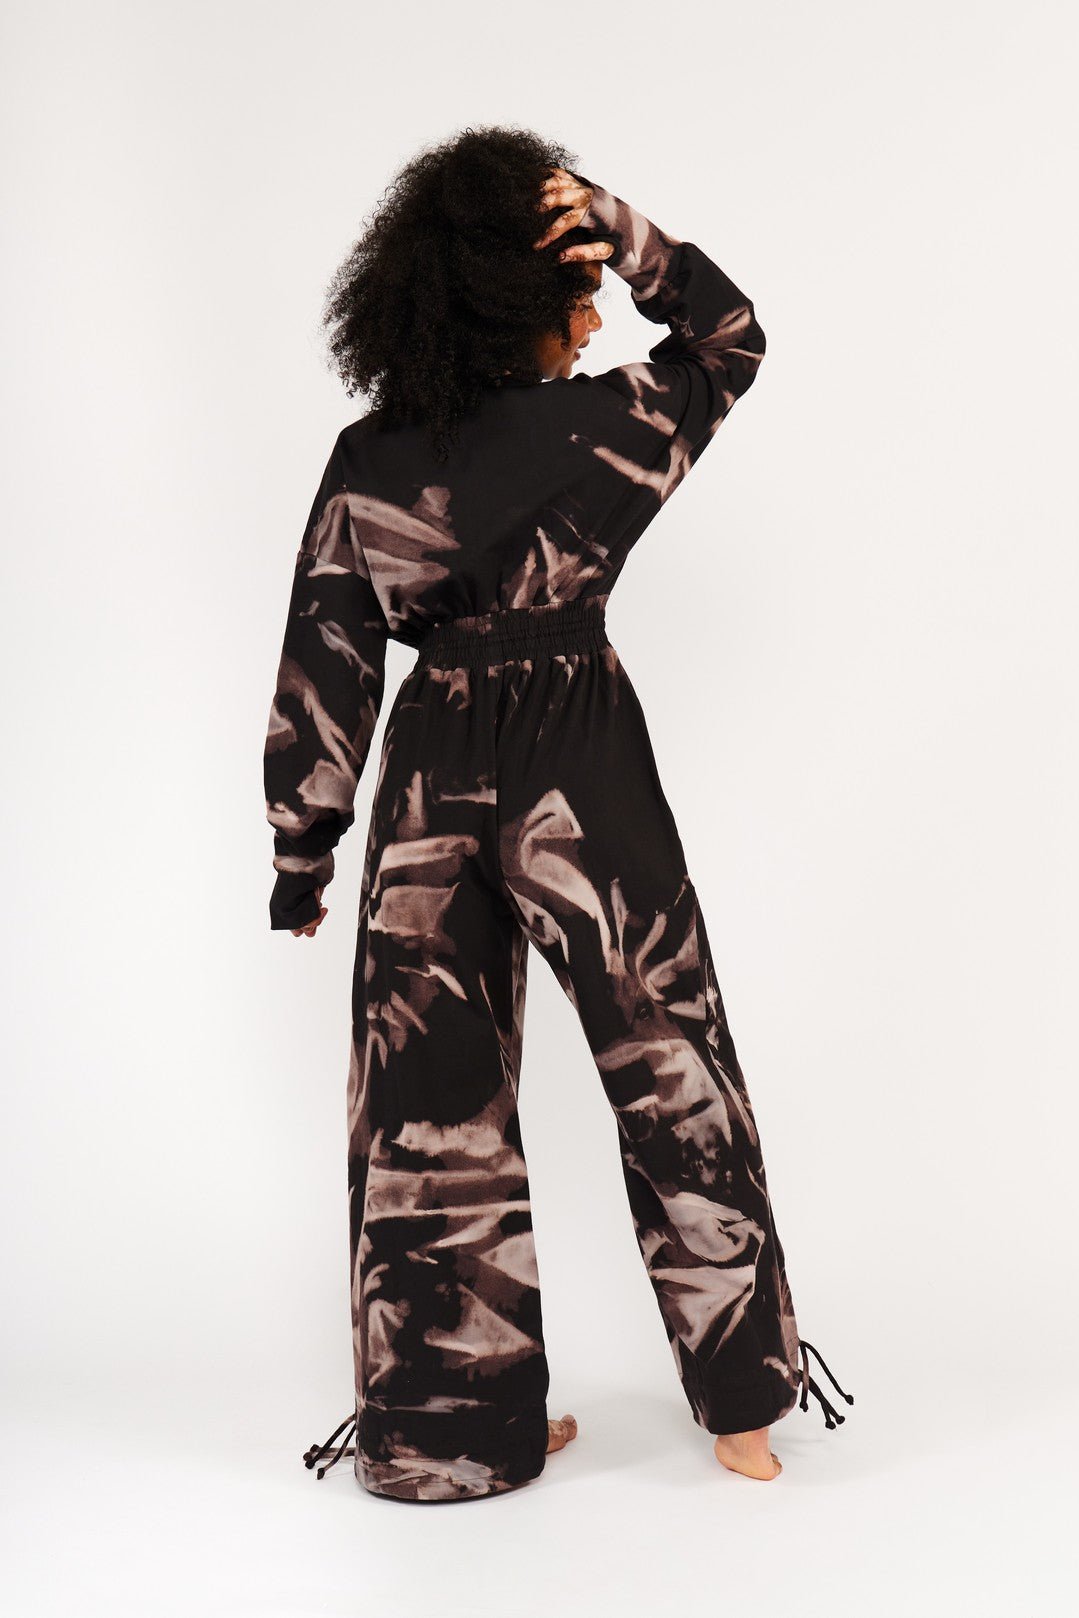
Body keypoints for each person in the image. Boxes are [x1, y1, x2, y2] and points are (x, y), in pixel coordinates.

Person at [263, 127, 852, 1503]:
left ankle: (449, 1432)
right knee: (671, 1062)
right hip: (580, 761)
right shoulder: (599, 431)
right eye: (572, 297)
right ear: (508, 301)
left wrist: (304, 848)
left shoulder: (368, 460)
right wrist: (619, 226)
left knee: (426, 1113)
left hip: (428, 782)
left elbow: (325, 661)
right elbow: (730, 338)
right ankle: (745, 1407)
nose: (592, 324)